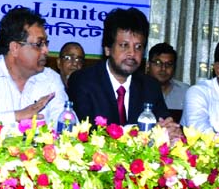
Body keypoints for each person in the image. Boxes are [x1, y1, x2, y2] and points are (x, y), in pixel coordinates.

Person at [68, 8, 181, 139]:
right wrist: (146, 132)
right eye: (124, 45)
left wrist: (170, 131)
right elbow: (88, 133)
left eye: (138, 47)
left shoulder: (150, 86)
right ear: (107, 49)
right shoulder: (82, 81)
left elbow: (166, 124)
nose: (132, 53)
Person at [147, 42, 189, 110]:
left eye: (169, 64)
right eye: (158, 63)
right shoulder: (136, 89)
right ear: (148, 65)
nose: (163, 68)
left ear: (174, 67)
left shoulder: (186, 92)